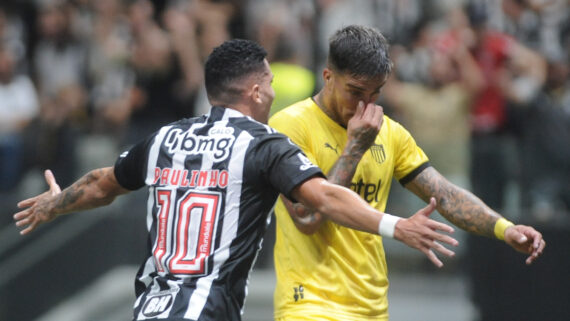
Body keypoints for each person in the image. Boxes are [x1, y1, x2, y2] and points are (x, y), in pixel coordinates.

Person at [13, 39, 460, 321]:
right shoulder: (264, 145)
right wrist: (394, 225)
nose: (271, 89)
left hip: (150, 309)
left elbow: (99, 184)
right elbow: (321, 197)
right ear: (256, 91)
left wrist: (56, 204)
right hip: (206, 310)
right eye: (268, 80)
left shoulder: (165, 137)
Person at [268, 25, 546, 320]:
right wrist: (355, 147)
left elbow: (446, 195)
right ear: (328, 77)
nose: (365, 104)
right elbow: (308, 218)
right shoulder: (290, 126)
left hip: (372, 307)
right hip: (310, 304)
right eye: (355, 92)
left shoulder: (390, 133)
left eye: (375, 93)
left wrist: (505, 228)